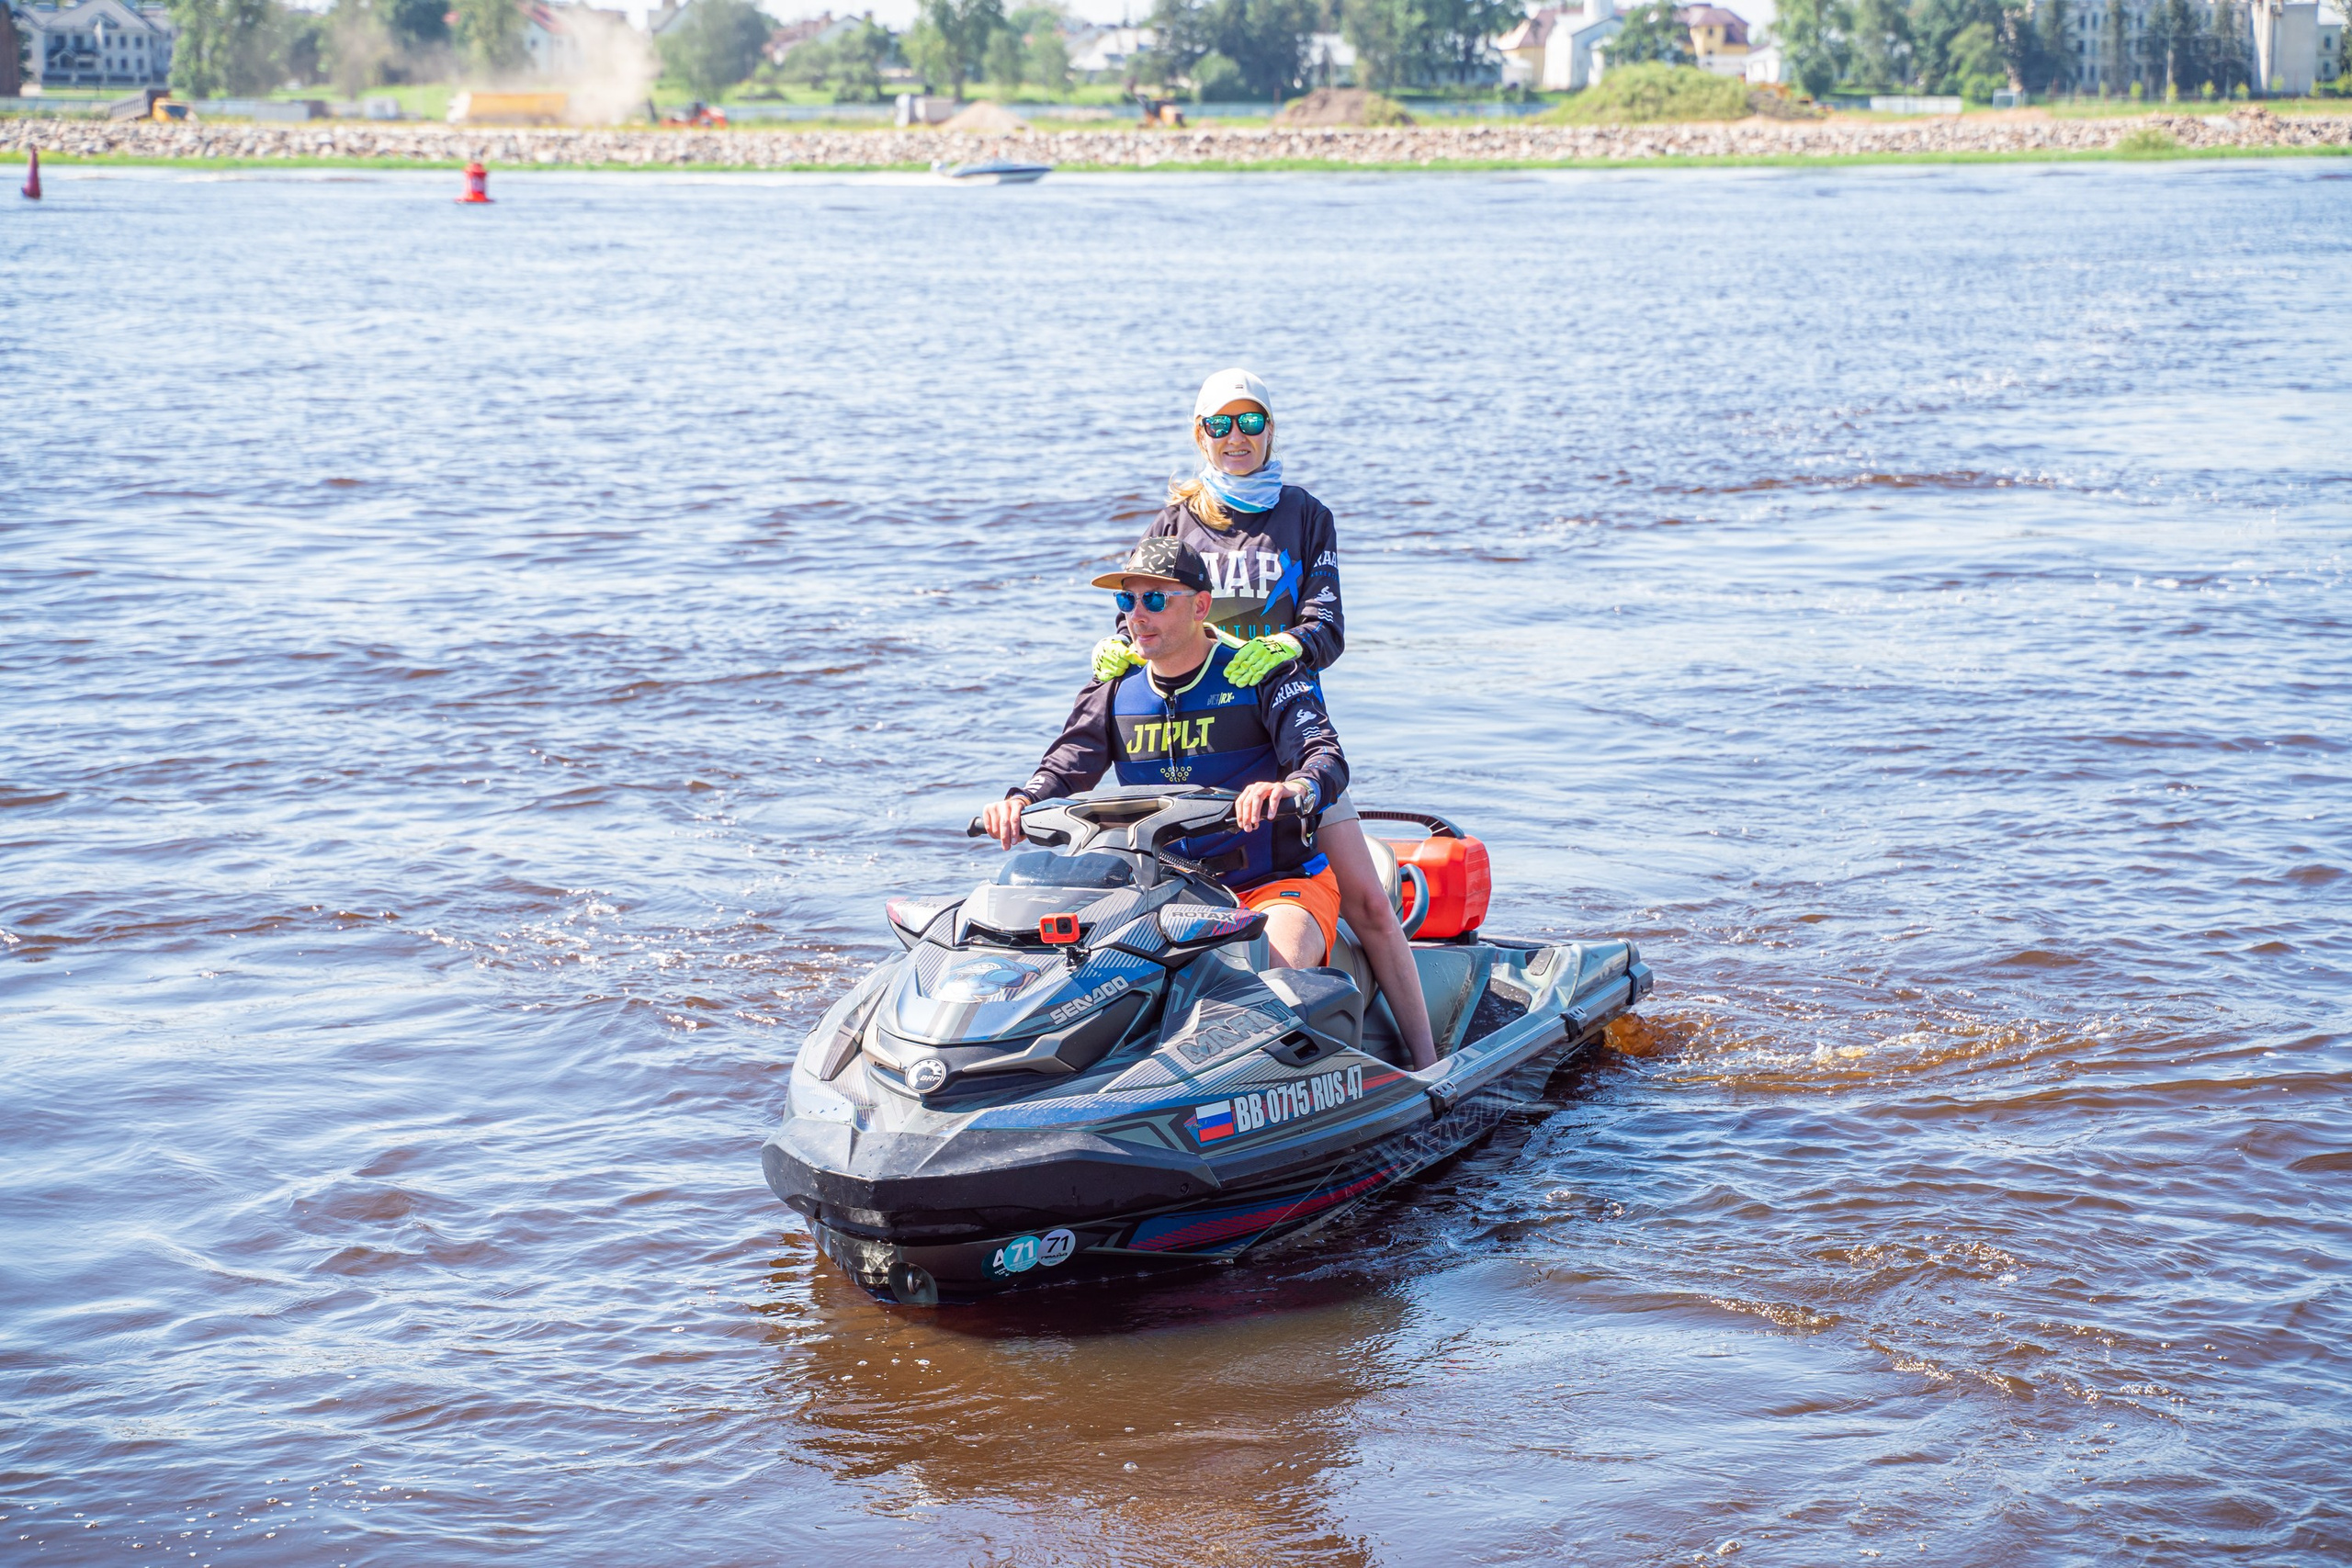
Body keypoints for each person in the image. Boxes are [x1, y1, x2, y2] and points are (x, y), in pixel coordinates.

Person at [1085, 367, 1440, 1066]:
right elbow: (1139, 617)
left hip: (1286, 734)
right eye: (1220, 425)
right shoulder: (1173, 523)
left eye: (1250, 422)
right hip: (1202, 738)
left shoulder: (1306, 516)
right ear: (1201, 435)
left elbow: (1328, 628)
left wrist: (1285, 646)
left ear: (1271, 429)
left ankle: (1429, 1063)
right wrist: (1113, 647)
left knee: (1368, 902)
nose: (1236, 437)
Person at [981, 537, 1356, 986]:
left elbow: (1324, 756)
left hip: (1272, 886)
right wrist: (1021, 801)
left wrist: (1293, 788)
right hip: (1157, 890)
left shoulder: (1261, 674)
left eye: (1155, 600)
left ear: (1201, 606)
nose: (1137, 616)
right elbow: (1066, 766)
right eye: (1127, 600)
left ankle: (1410, 1032)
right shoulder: (1115, 688)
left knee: (1271, 980)